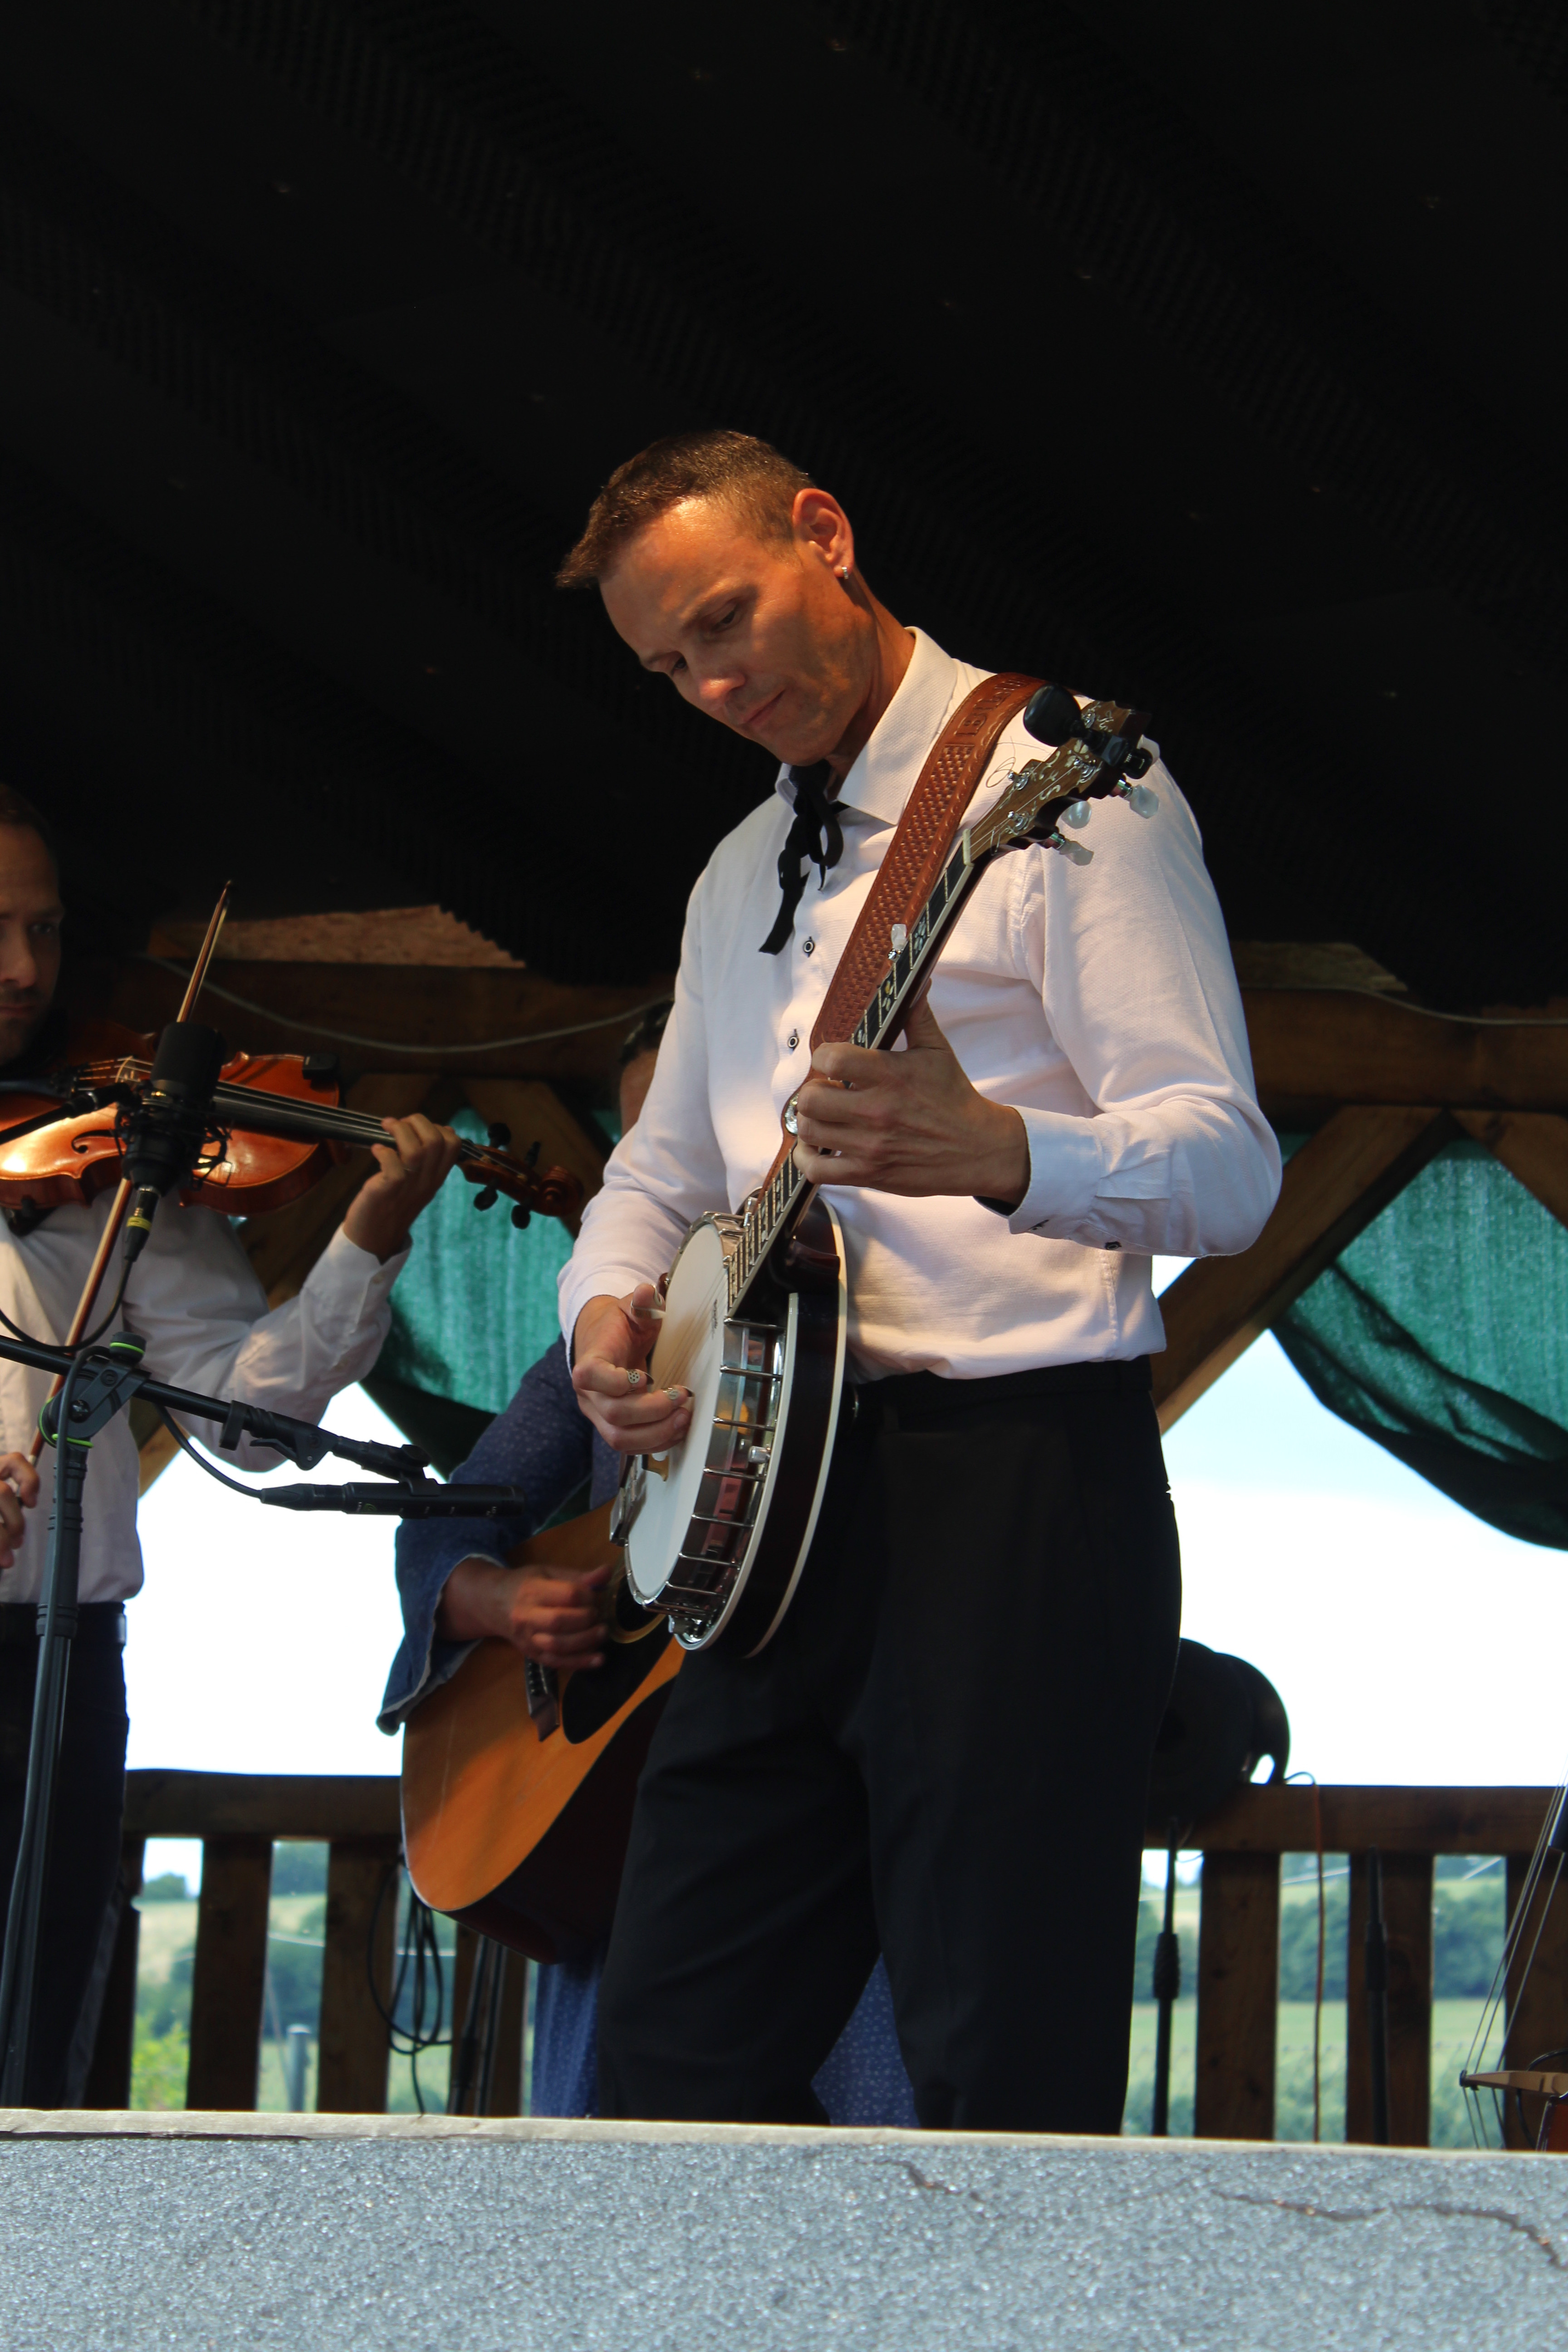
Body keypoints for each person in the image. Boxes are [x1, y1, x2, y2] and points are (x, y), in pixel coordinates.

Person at [554, 430, 1282, 2132]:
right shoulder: (737, 868)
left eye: (725, 621)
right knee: (666, 2075)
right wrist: (602, 1315)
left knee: (999, 2072)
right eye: (668, 667)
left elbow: (1229, 1165)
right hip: (769, 1520)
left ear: (825, 533)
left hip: (1015, 1494)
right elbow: (659, 1173)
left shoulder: (1072, 791)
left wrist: (1005, 1151)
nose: (713, 686)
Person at [0, 789, 461, 2102]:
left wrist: (364, 1240)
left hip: (46, 1667)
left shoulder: (121, 1155)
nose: (25, 969)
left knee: (34, 2052)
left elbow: (240, 1419)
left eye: (44, 929)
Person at [380, 1004, 917, 2125]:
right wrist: (496, 1598)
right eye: (648, 1146)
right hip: (626, 1826)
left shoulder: (878, 1329)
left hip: (835, 1808)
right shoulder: (598, 1352)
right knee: (629, 2140)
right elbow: (449, 1515)